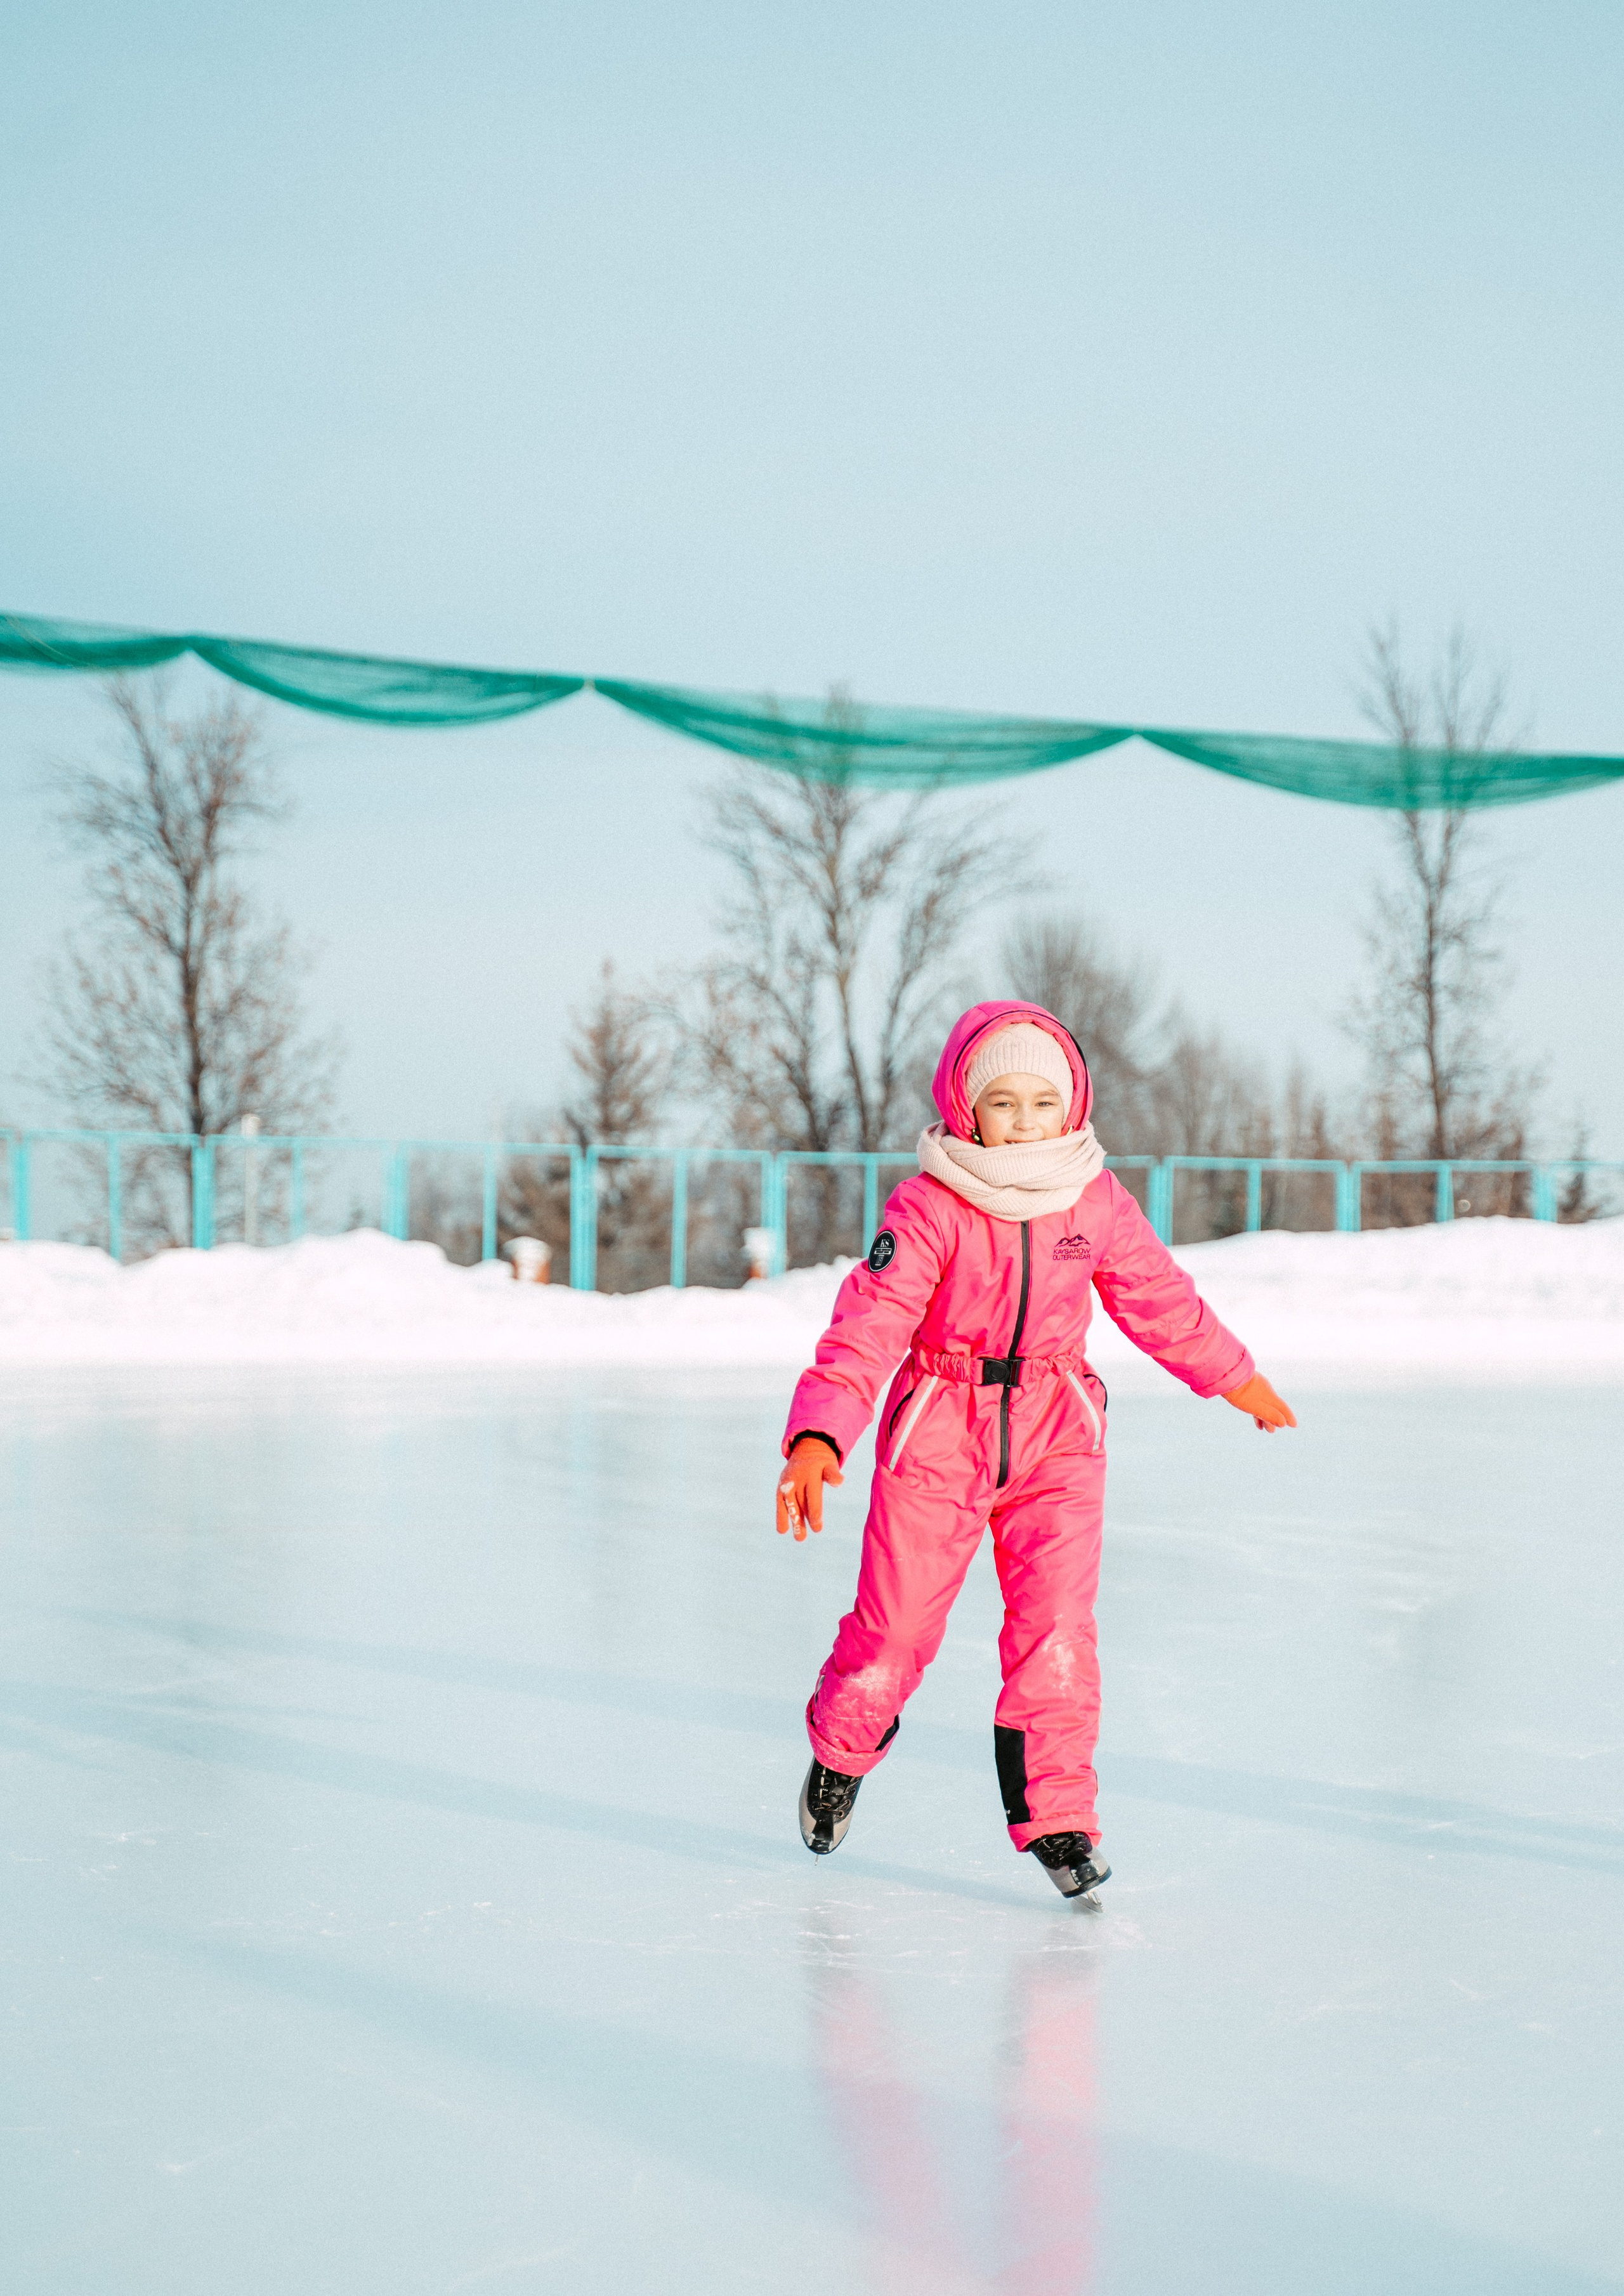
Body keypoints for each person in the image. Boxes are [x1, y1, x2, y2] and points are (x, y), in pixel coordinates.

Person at [775, 1000, 1295, 1899]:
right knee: (895, 1633)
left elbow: (1158, 1298)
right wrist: (821, 1434)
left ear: (1073, 1105)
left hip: (1058, 1433)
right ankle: (840, 1749)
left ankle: (1058, 1819)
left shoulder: (1093, 1197)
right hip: (939, 1427)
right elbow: (868, 1325)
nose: (1024, 1122)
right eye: (1004, 1102)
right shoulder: (932, 1203)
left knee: (1056, 1635)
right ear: (968, 1107)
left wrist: (1233, 1374)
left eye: (1041, 1103)